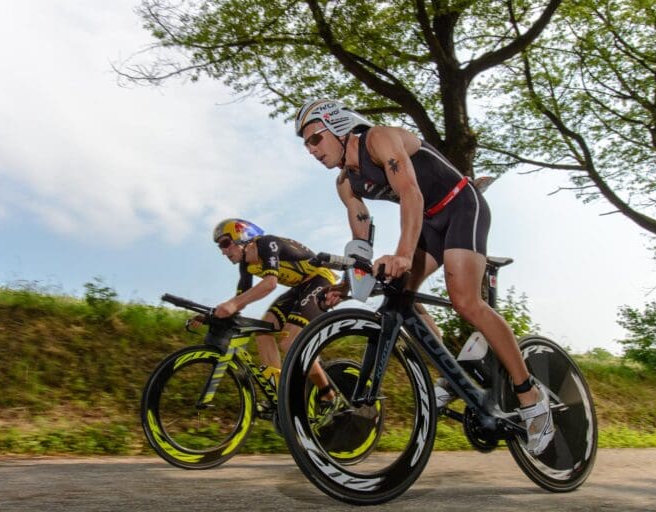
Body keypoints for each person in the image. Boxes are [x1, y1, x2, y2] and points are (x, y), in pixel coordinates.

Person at [293, 99, 554, 455]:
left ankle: (530, 396)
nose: (310, 150)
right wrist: (347, 284)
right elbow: (361, 239)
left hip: (461, 205)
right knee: (398, 297)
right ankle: (455, 371)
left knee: (465, 301)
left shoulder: (378, 139)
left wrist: (403, 253)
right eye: (305, 144)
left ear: (337, 125)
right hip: (429, 223)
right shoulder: (345, 184)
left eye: (314, 138)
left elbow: (410, 193)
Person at [211, 218, 343, 425]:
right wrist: (213, 315)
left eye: (225, 243)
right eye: (219, 246)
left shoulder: (266, 243)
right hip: (299, 288)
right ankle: (281, 395)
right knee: (263, 331)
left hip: (320, 279)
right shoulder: (247, 265)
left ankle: (330, 397)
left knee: (288, 341)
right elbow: (240, 298)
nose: (223, 251)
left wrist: (233, 304)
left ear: (242, 236)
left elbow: (270, 284)